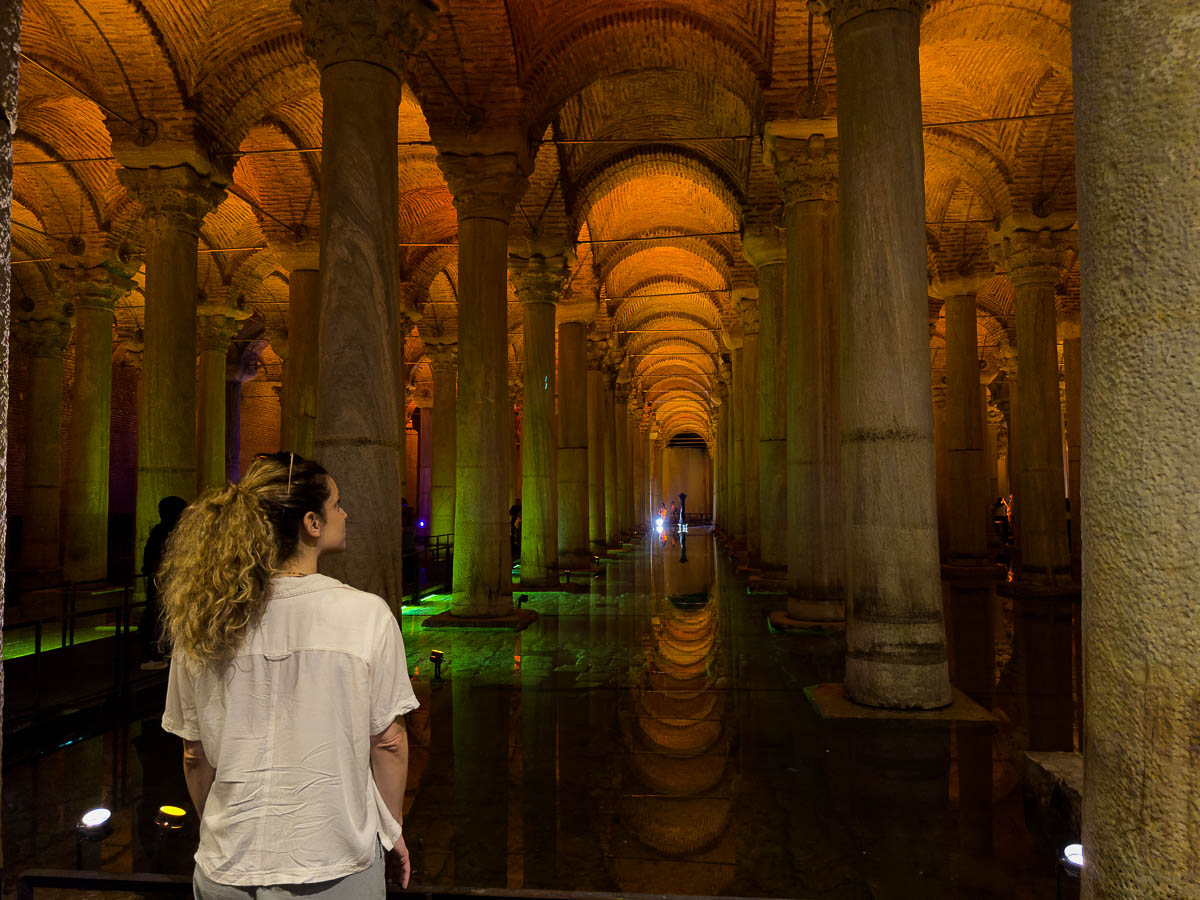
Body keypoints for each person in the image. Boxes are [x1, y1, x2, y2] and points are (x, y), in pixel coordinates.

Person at [159, 452, 419, 898]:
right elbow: (389, 742)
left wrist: (221, 827)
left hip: (227, 867)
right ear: (311, 523)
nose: (345, 513)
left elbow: (193, 752)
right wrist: (390, 826)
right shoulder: (366, 615)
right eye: (336, 504)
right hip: (333, 864)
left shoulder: (205, 618)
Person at [140, 495, 188, 670]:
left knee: (157, 618)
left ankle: (159, 654)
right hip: (176, 582)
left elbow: (150, 556)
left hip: (161, 582)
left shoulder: (161, 531)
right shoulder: (184, 531)